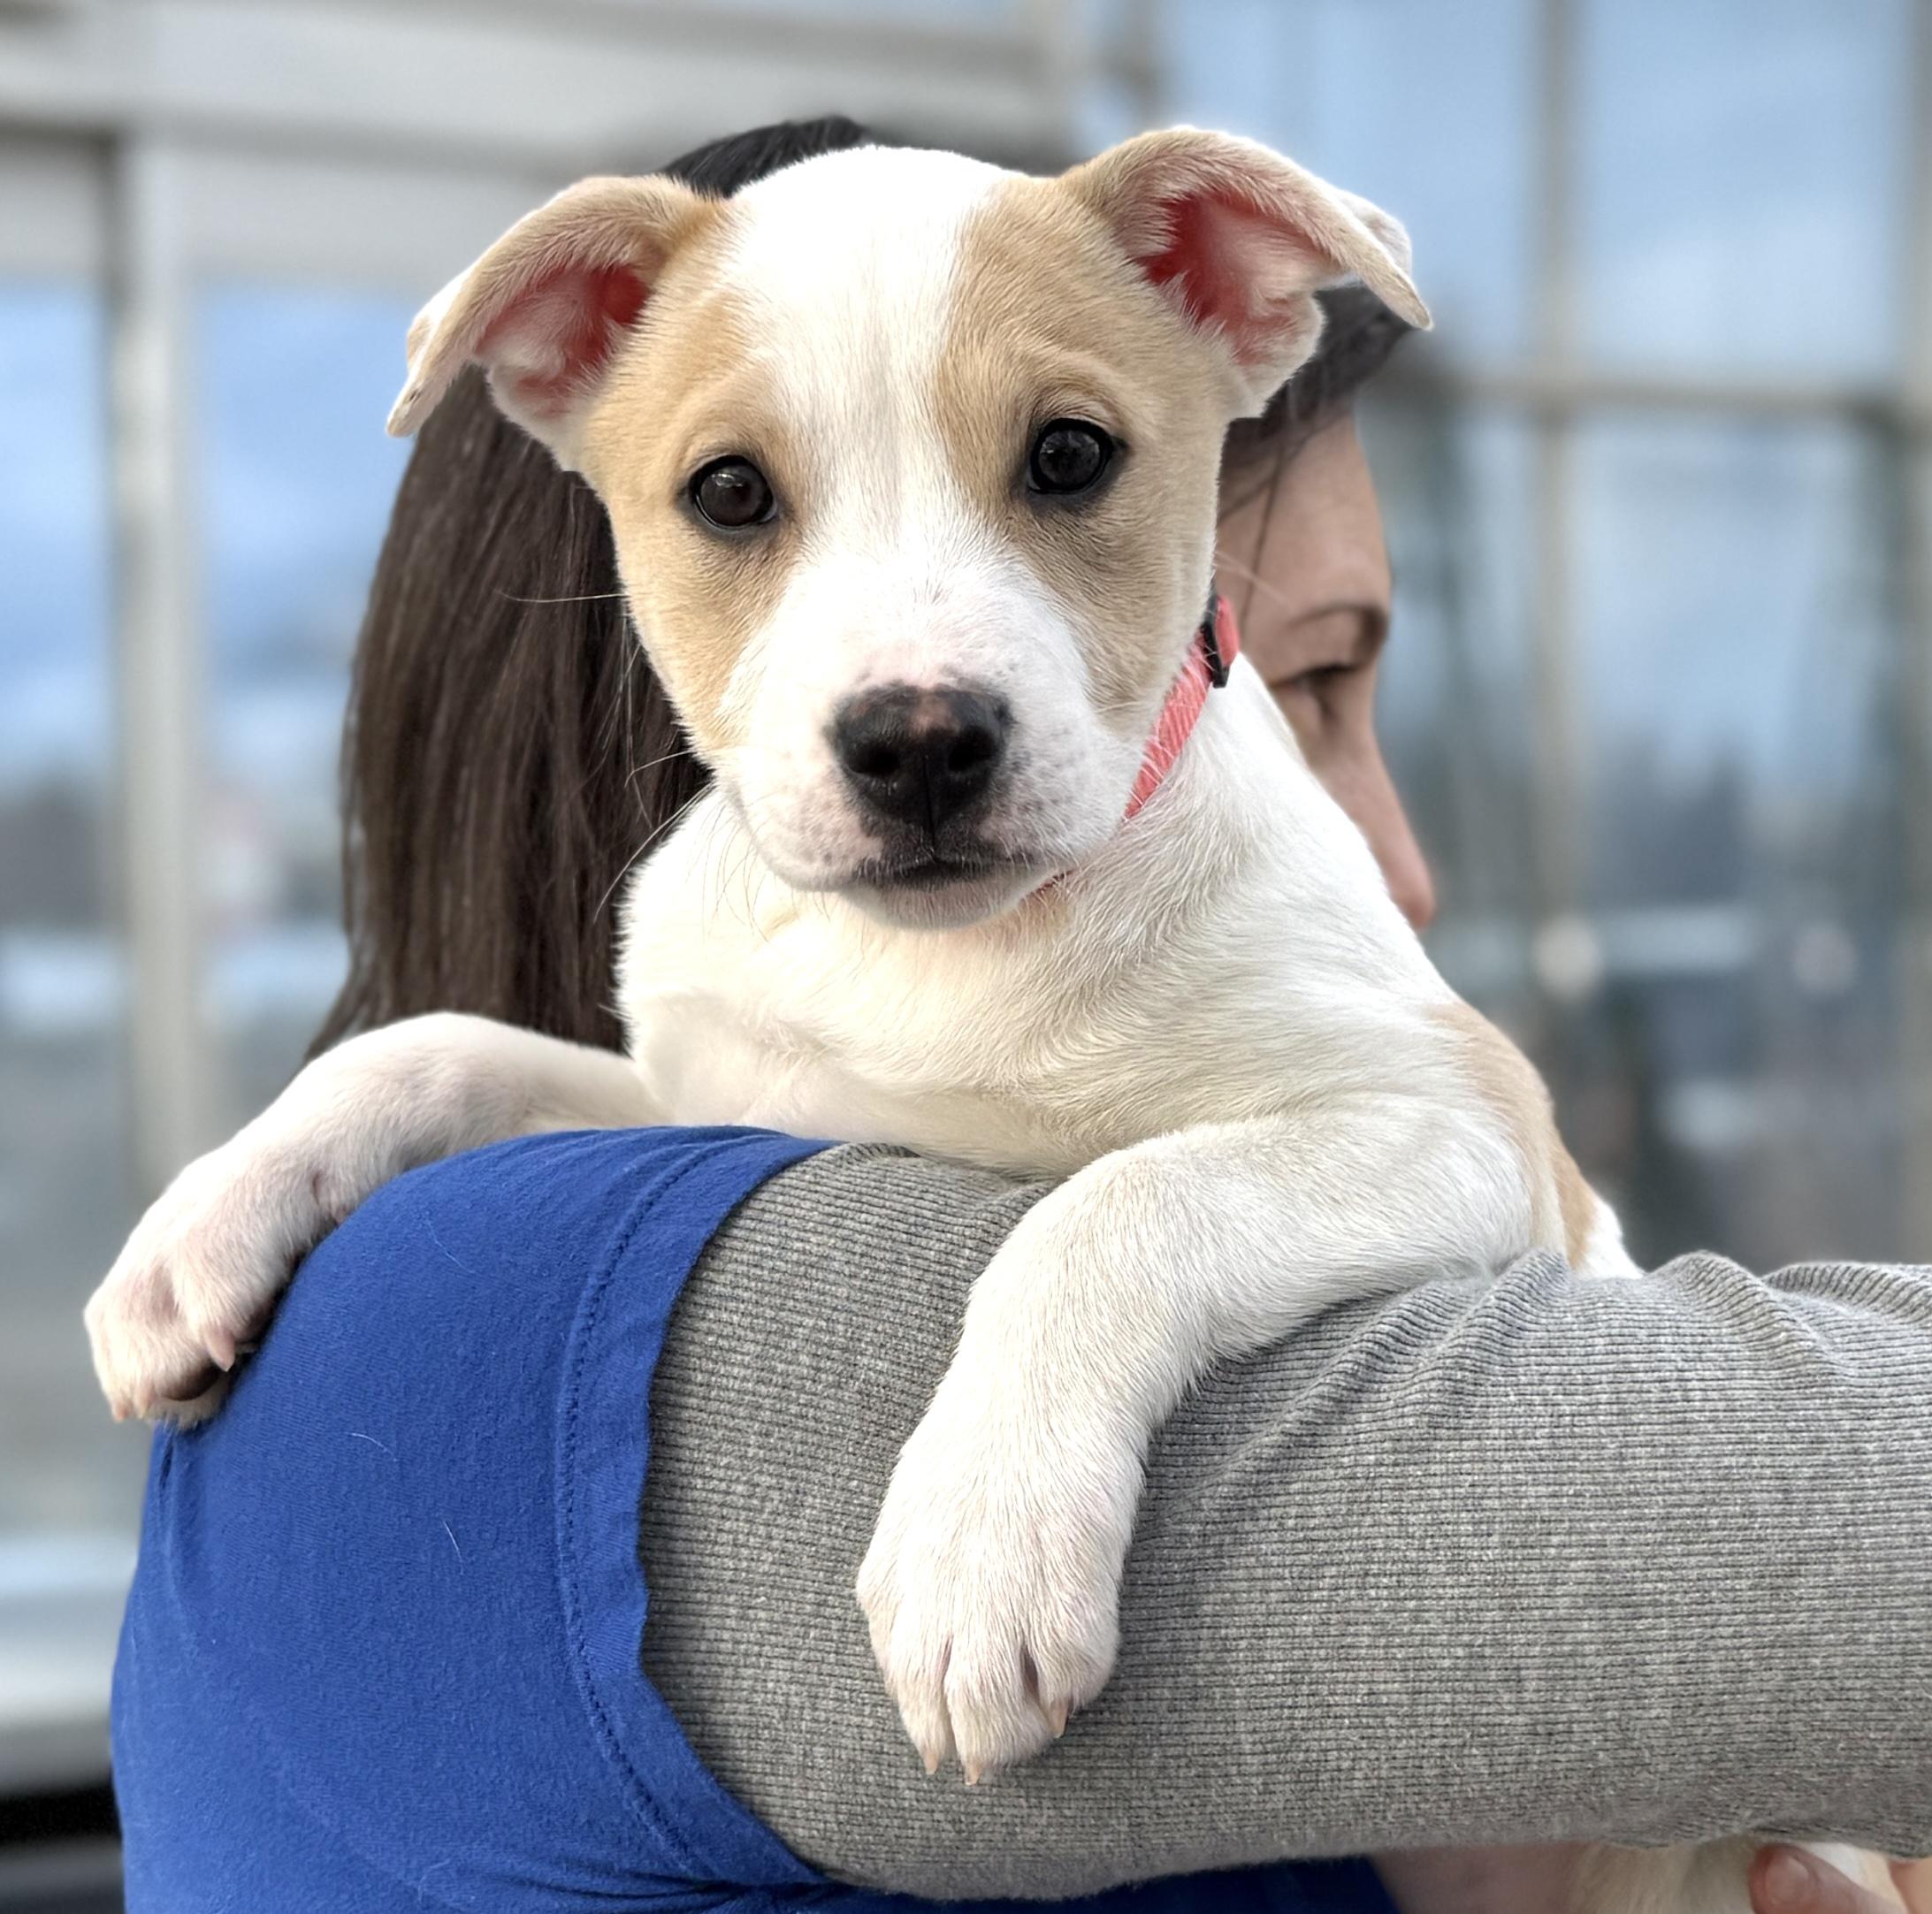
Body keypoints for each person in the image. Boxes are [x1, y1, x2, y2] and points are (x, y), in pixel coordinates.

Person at [110, 118, 1932, 1913]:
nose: (920, 687)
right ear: (559, 373)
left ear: (1233, 305)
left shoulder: (1213, 912)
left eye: (1060, 461)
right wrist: (410, 1089)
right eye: (739, 498)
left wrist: (1094, 1288)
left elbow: (1463, 1145)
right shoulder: (603, 1208)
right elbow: (720, 1173)